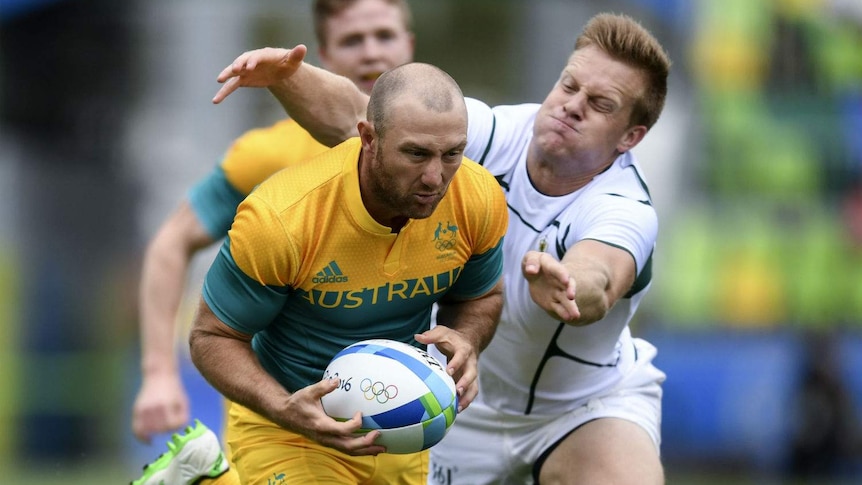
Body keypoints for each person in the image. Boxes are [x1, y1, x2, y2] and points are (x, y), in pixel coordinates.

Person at [211, 11, 670, 485]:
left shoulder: (625, 207)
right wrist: (289, 76)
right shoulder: (492, 133)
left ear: (630, 137)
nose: (572, 106)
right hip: (444, 394)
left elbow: (601, 273)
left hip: (581, 407)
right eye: (569, 85)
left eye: (600, 104)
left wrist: (574, 284)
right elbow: (365, 118)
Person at [190, 62, 507, 484]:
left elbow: (480, 297)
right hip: (290, 424)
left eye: (452, 154)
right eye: (415, 153)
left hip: (401, 426)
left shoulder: (477, 197)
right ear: (368, 138)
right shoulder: (283, 219)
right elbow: (211, 337)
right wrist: (283, 407)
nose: (436, 178)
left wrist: (466, 338)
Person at [132, 0, 415, 445]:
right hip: (284, 414)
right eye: (352, 40)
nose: (371, 53)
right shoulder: (269, 154)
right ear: (323, 56)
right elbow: (172, 241)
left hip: (415, 404)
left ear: (409, 45)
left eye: (384, 35)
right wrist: (158, 374)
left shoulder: (449, 149)